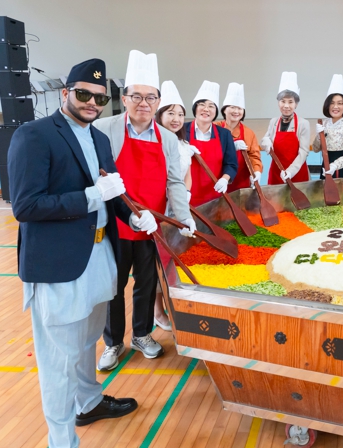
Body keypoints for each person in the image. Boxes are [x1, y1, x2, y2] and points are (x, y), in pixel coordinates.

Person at [7, 58, 157, 447]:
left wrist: (132, 215)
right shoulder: (35, 135)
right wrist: (92, 196)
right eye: (84, 94)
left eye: (99, 98)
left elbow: (112, 192)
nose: (92, 102)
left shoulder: (99, 139)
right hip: (60, 265)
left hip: (100, 256)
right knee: (59, 359)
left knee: (89, 340)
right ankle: (62, 440)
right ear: (66, 93)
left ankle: (88, 403)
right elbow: (26, 206)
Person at [94, 50, 195, 370]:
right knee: (113, 286)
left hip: (152, 225)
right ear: (124, 99)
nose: (143, 103)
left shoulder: (167, 138)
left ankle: (141, 335)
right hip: (114, 224)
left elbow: (174, 182)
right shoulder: (104, 128)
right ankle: (112, 342)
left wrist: (184, 217)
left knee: (147, 284)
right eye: (136, 96)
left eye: (150, 97)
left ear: (157, 101)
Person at [152, 80, 197, 331]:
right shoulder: (153, 141)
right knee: (155, 261)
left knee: (172, 260)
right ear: (159, 115)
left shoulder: (183, 145)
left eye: (180, 114)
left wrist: (185, 195)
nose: (176, 118)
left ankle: (174, 306)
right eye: (170, 113)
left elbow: (186, 174)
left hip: (177, 210)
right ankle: (157, 311)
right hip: (157, 210)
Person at [186, 80, 238, 204]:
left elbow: (231, 164)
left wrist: (225, 179)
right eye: (202, 105)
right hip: (185, 195)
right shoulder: (181, 131)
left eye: (211, 106)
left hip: (215, 196)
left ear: (215, 111)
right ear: (195, 108)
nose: (206, 109)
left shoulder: (224, 134)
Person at [260, 72, 311, 184]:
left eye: (290, 102)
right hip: (276, 173)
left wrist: (291, 171)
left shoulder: (303, 124)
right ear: (278, 103)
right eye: (283, 101)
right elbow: (264, 142)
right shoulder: (273, 122)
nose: (286, 106)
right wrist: (265, 141)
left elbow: (303, 152)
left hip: (297, 174)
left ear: (296, 104)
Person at [215, 82, 264, 190]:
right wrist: (231, 146)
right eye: (232, 107)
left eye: (240, 108)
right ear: (224, 109)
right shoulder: (215, 128)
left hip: (241, 184)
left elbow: (254, 157)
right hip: (218, 181)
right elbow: (210, 150)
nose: (236, 111)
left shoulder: (248, 133)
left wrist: (256, 171)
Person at [312, 74, 343, 178]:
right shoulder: (324, 123)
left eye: (340, 103)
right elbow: (316, 149)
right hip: (326, 167)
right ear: (327, 105)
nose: (335, 107)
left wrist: (334, 166)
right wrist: (318, 136)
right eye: (332, 103)